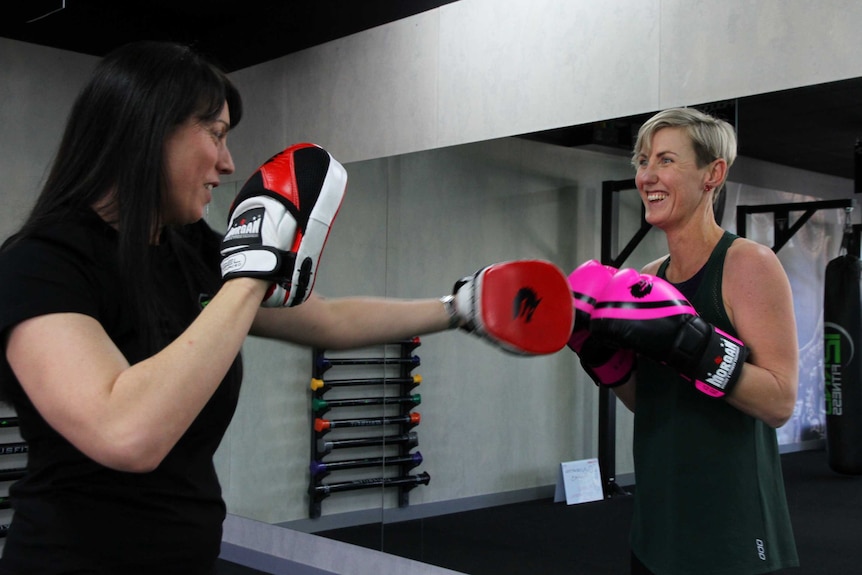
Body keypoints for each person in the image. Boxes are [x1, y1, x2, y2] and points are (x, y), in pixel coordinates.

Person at [0, 41, 572, 574]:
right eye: (216, 133)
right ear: (149, 133)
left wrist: (459, 307)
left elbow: (327, 318)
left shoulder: (189, 249)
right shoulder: (41, 263)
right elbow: (126, 434)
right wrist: (251, 274)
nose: (227, 164)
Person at [570, 107, 800, 574]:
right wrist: (606, 363)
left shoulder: (748, 265)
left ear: (713, 173)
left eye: (666, 161)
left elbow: (779, 401)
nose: (647, 176)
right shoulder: (647, 279)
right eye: (641, 162)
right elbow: (652, 402)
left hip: (732, 528)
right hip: (657, 523)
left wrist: (695, 346)